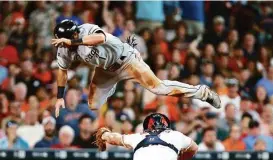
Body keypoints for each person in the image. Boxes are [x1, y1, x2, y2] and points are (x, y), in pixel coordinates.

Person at [52, 20, 221, 118]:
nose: (65, 42)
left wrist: (73, 42)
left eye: (69, 38)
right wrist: (60, 97)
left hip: (127, 60)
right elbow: (62, 71)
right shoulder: (64, 48)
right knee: (94, 105)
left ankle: (202, 92)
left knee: (159, 88)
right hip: (106, 69)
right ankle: (112, 86)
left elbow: (101, 37)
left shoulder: (85, 30)